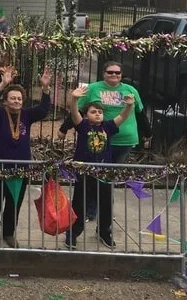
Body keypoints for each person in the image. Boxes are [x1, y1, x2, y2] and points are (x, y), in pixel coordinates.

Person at [58, 61, 146, 221]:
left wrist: (147, 132)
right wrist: (64, 128)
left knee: (106, 180)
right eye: (110, 72)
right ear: (104, 73)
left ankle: (103, 217)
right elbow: (78, 112)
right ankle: (90, 211)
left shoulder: (130, 90)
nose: (114, 75)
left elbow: (139, 113)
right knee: (92, 178)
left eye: (117, 73)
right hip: (100, 140)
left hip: (123, 141)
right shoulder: (93, 89)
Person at [0, 65, 51, 248]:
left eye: (19, 98)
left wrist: (45, 88)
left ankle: (9, 233)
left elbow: (43, 109)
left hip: (20, 168)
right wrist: (3, 83)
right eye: (13, 98)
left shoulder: (27, 115)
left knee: (14, 202)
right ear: (6, 101)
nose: (17, 101)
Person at [64, 86, 134, 250]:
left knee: (105, 203)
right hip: (84, 173)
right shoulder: (83, 126)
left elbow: (122, 117)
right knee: (79, 204)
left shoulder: (108, 127)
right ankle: (72, 234)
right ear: (87, 114)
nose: (97, 114)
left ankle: (104, 232)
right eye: (93, 111)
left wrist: (129, 106)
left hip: (104, 173)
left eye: (99, 112)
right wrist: (74, 99)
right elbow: (74, 114)